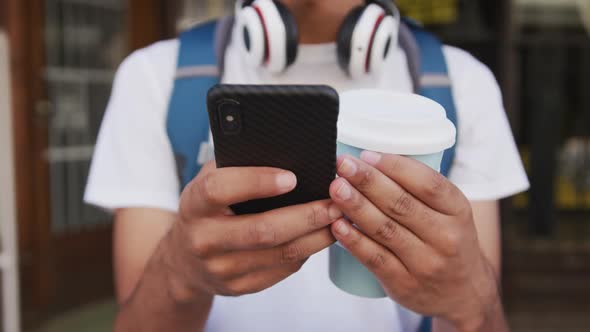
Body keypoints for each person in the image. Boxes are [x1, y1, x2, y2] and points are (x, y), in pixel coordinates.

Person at [85, 0, 529, 331]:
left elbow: (478, 315)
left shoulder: (460, 84)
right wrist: (180, 271)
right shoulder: (155, 77)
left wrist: (470, 302)